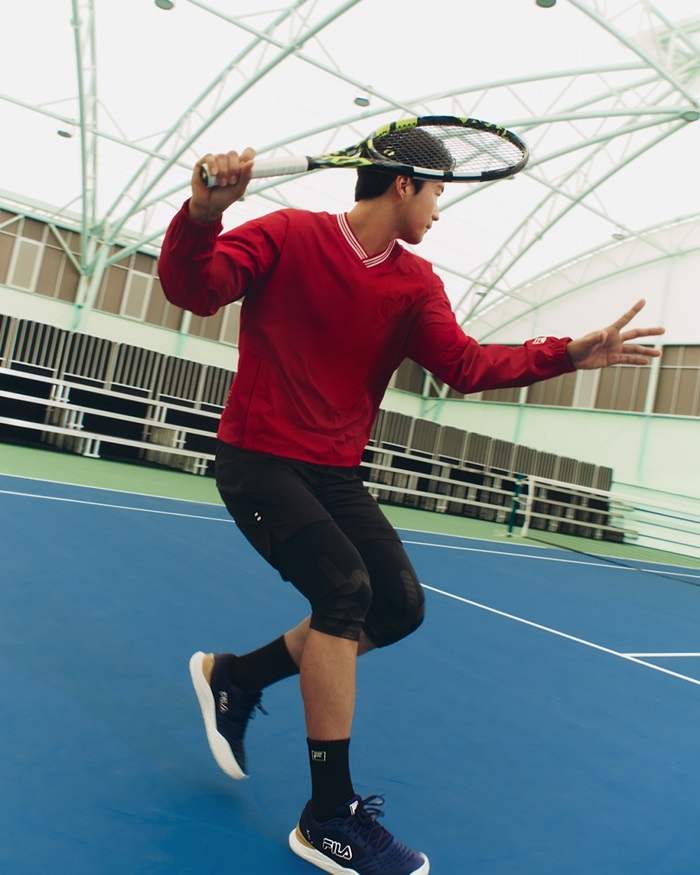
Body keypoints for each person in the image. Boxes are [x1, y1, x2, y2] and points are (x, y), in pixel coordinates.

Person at [157, 134, 664, 875]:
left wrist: (565, 354)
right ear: (403, 184)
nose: (438, 211)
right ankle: (328, 816)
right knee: (343, 592)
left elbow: (466, 365)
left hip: (334, 472)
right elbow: (193, 289)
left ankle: (236, 678)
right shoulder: (289, 233)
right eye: (437, 194)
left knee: (397, 606)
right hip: (260, 460)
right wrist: (203, 215)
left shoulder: (416, 283)